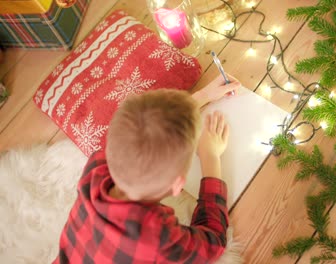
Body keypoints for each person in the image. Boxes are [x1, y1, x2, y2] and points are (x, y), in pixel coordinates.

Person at [54, 75, 241, 263]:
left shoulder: (95, 167)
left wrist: (203, 95)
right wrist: (210, 156)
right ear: (177, 186)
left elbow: (142, 133)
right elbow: (213, 241)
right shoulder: (160, 239)